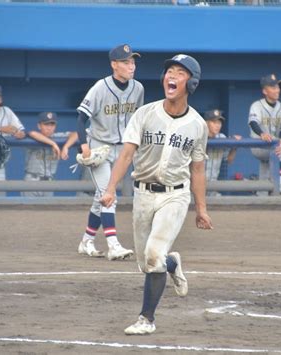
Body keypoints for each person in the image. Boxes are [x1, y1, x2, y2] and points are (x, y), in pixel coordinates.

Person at [100, 54, 213, 335]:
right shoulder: (145, 113)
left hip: (175, 196)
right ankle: (172, 263)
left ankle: (146, 319)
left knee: (153, 254)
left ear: (192, 83)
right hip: (143, 194)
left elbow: (198, 170)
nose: (171, 76)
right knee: (147, 263)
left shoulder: (198, 125)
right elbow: (126, 155)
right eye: (169, 71)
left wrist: (201, 208)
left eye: (179, 73)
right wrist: (111, 187)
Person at [76, 44, 144, 260]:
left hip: (123, 150)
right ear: (114, 65)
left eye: (132, 61)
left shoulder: (138, 88)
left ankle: (86, 241)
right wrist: (83, 145)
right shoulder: (100, 87)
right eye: (126, 62)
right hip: (100, 147)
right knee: (109, 195)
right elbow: (81, 117)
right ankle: (113, 245)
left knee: (100, 197)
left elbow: (138, 120)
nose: (131, 66)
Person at [248, 74, 281, 195]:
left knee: (268, 166)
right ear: (265, 91)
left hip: (274, 146)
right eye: (273, 87)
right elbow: (253, 122)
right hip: (259, 145)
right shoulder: (257, 105)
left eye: (278, 87)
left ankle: (262, 195)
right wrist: (261, 133)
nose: (277, 90)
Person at [23, 111, 78, 197]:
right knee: (27, 209)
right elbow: (31, 133)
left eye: (52, 125)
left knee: (48, 209)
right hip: (32, 180)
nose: (49, 128)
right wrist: (53, 144)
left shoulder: (59, 137)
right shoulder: (34, 137)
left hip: (49, 181)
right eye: (46, 124)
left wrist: (66, 147)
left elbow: (76, 134)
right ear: (39, 125)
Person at [204, 109, 241, 196]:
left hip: (213, 185)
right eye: (214, 122)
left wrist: (234, 146)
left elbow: (229, 160)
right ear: (206, 123)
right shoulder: (198, 136)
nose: (217, 126)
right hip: (196, 185)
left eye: (219, 123)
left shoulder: (222, 137)